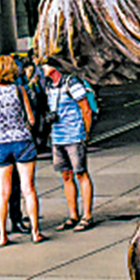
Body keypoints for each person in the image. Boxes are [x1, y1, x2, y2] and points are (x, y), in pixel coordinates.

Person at [0, 54, 42, 246]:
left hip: (0, 143)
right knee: (28, 189)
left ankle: (2, 235)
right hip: (22, 141)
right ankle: (35, 232)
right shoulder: (19, 90)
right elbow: (31, 118)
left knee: (2, 191)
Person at [45, 67, 97, 231]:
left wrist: (85, 133)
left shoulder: (72, 83)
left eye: (44, 65)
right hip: (58, 136)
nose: (41, 68)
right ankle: (73, 215)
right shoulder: (49, 86)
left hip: (74, 136)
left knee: (81, 173)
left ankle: (87, 215)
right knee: (66, 175)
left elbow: (86, 109)